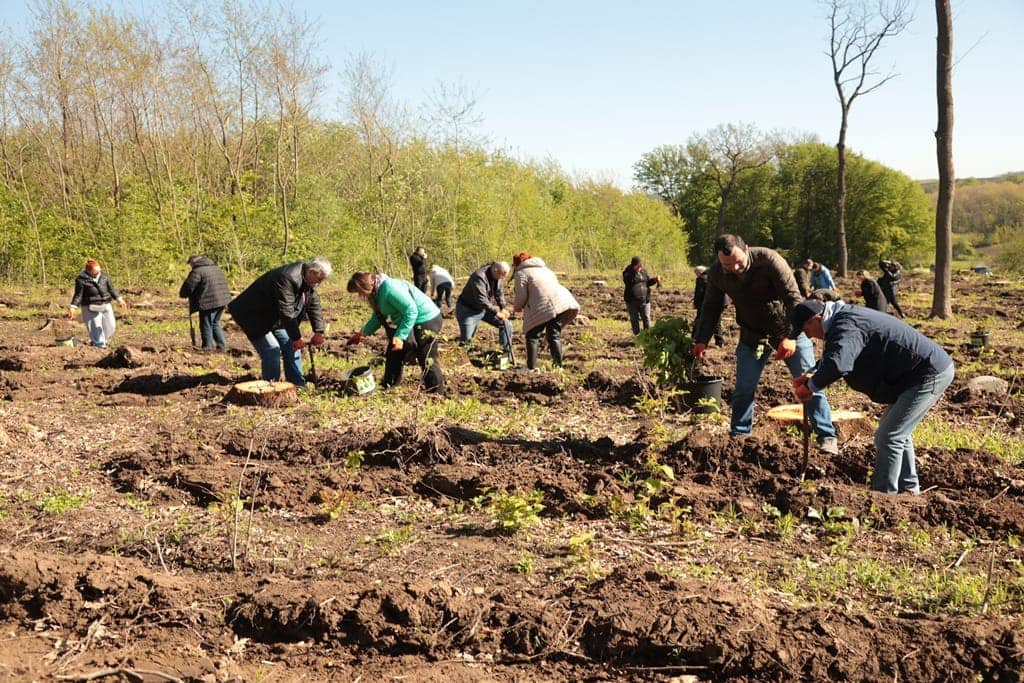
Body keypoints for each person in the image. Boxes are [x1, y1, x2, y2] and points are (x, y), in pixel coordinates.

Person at [790, 298, 954, 494]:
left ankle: (883, 495)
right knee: (895, 431)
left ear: (815, 319)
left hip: (926, 374)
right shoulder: (843, 320)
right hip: (914, 374)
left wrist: (810, 386)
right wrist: (813, 373)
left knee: (889, 435)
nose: (808, 337)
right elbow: (837, 354)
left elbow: (839, 364)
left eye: (806, 331)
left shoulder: (846, 325)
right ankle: (909, 490)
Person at [693, 234, 837, 453]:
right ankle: (740, 436)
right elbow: (711, 307)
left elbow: (793, 300)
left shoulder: (769, 260)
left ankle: (826, 436)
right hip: (752, 335)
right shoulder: (716, 273)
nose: (735, 268)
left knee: (810, 382)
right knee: (743, 388)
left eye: (738, 261)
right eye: (727, 265)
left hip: (788, 329)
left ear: (747, 249)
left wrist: (791, 336)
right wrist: (702, 339)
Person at [227, 257, 330, 388]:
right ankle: (272, 387)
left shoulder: (309, 282)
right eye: (320, 279)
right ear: (311, 271)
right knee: (272, 350)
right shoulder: (286, 277)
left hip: (274, 318)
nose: (320, 283)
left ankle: (297, 385)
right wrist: (297, 338)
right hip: (253, 316)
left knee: (292, 346)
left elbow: (313, 305)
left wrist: (318, 331)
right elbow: (287, 313)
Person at [346, 272, 444, 395]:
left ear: (364, 286)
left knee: (426, 357)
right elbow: (378, 317)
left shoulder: (390, 289)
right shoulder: (377, 293)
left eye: (359, 292)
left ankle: (436, 394)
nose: (360, 296)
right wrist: (362, 334)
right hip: (411, 320)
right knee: (394, 352)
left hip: (426, 318)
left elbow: (411, 310)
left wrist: (400, 336)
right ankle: (389, 385)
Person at [511, 252, 580, 370]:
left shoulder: (521, 273)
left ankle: (530, 368)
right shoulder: (546, 269)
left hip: (545, 305)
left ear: (517, 264)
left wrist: (516, 307)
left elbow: (521, 296)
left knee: (532, 335)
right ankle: (558, 367)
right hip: (563, 302)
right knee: (554, 334)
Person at [455, 261, 513, 358]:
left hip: (484, 309)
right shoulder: (479, 277)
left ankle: (505, 355)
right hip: (468, 310)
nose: (503, 278)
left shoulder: (498, 275)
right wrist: (496, 312)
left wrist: (503, 307)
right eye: (502, 275)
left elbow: (499, 292)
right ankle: (463, 359)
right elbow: (482, 300)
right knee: (466, 340)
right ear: (495, 270)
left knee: (506, 324)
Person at [69, 258, 128, 349]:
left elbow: (112, 289)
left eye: (99, 270)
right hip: (90, 306)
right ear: (89, 271)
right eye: (96, 271)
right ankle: (99, 345)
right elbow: (78, 295)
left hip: (106, 304)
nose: (99, 272)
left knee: (111, 326)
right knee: (96, 327)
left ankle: (104, 341)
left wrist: (119, 299)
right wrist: (73, 307)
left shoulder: (104, 277)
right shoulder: (81, 280)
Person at [179, 254, 232, 350]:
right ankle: (222, 346)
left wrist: (183, 293)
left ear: (194, 262)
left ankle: (208, 347)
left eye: (190, 263)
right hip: (222, 300)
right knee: (214, 323)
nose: (190, 265)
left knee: (206, 324)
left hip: (208, 302)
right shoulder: (216, 268)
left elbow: (189, 286)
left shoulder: (197, 272)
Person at [622, 256, 660, 335]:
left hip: (645, 300)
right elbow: (629, 281)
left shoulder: (643, 271)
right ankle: (637, 336)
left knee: (646, 318)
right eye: (638, 265)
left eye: (640, 264)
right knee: (634, 319)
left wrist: (654, 280)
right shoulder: (627, 272)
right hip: (632, 301)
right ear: (634, 265)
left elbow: (647, 282)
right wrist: (635, 271)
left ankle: (648, 335)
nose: (640, 266)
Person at [693, 265, 724, 346]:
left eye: (696, 273)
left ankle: (694, 339)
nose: (696, 275)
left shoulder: (701, 279)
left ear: (699, 272)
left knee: (699, 321)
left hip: (704, 305)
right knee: (717, 322)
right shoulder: (715, 276)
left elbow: (699, 293)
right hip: (718, 303)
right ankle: (719, 341)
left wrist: (696, 304)